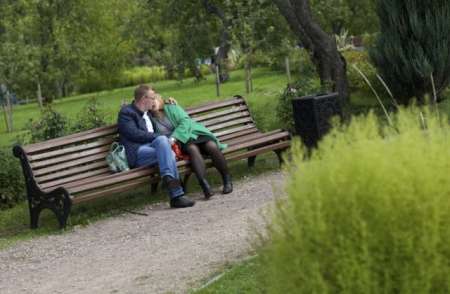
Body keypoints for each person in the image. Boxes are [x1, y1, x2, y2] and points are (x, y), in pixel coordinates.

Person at [117, 85, 195, 208]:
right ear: (144, 99)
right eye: (153, 98)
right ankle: (176, 194)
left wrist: (170, 102)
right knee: (166, 148)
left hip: (154, 149)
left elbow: (161, 107)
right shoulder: (127, 112)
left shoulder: (148, 113)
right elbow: (134, 134)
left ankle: (170, 183)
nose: (154, 101)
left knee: (167, 148)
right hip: (138, 152)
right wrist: (158, 137)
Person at [148, 89, 233, 199]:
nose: (153, 103)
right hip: (182, 141)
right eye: (150, 101)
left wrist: (174, 136)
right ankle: (205, 186)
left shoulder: (171, 107)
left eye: (154, 99)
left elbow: (185, 121)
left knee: (211, 146)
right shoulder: (150, 118)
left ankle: (227, 180)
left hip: (193, 133)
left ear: (160, 99)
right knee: (192, 149)